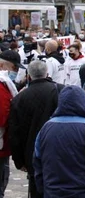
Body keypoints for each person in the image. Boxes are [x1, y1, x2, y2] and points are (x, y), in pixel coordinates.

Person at [33, 85, 85, 198]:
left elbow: (38, 161)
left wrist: (43, 187)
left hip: (53, 192)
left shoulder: (46, 127)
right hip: (84, 192)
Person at [9, 60, 63, 197]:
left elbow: (14, 133)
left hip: (32, 154)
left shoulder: (20, 98)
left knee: (36, 189)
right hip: (59, 151)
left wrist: (19, 160)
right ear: (47, 73)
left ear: (29, 76)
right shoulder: (61, 91)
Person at [0, 52, 18, 196]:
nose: (15, 72)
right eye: (14, 68)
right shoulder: (2, 86)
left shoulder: (6, 84)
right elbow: (3, 116)